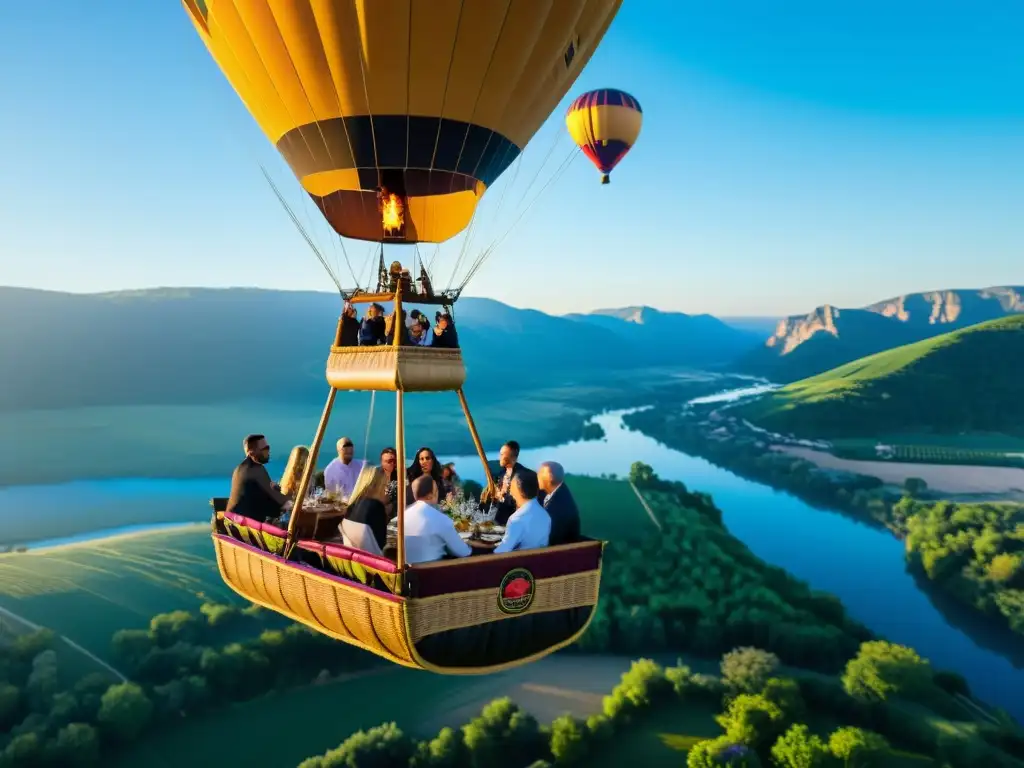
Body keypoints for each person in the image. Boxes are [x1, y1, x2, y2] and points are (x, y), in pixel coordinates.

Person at [402, 475, 472, 564]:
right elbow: (463, 552)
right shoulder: (441, 519)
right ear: (430, 495)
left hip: (406, 574)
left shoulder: (403, 516)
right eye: (436, 490)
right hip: (435, 573)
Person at [227, 434, 292, 523]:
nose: (268, 451)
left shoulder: (240, 468)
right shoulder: (255, 470)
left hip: (236, 518)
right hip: (246, 522)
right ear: (251, 452)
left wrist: (275, 490)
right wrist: (295, 499)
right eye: (264, 449)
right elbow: (279, 499)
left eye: (268, 448)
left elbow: (263, 491)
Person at [492, 472, 551, 554]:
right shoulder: (545, 515)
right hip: (540, 562)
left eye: (511, 488)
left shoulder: (516, 519)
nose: (511, 493)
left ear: (518, 491)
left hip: (520, 564)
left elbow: (501, 552)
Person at [339, 465, 389, 556]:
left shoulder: (351, 505)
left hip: (353, 559)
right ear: (375, 486)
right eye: (385, 486)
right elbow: (382, 543)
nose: (386, 491)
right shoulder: (376, 507)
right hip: (375, 562)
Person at [489, 440, 539, 525]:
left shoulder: (524, 476)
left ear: (513, 457)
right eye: (500, 454)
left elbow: (524, 501)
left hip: (516, 523)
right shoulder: (500, 474)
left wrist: (502, 497)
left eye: (502, 454)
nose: (499, 457)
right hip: (498, 523)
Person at [537, 461, 581, 546]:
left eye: (540, 473)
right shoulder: (551, 490)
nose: (537, 476)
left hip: (559, 553)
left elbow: (549, 539)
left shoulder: (561, 507)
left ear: (550, 477)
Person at [380, 446, 399, 516]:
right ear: (382, 462)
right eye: (389, 461)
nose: (392, 463)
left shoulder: (402, 476)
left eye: (394, 461)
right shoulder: (375, 477)